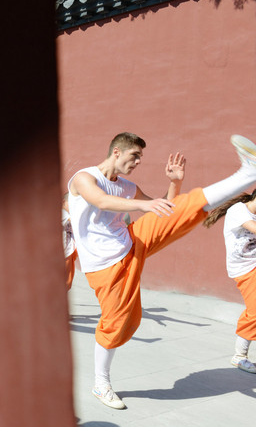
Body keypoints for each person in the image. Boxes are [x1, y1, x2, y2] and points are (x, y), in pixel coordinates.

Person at [68, 132, 256, 409]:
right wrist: (143, 203)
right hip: (104, 264)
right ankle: (101, 383)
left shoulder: (128, 186)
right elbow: (102, 201)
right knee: (119, 323)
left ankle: (248, 173)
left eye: (140, 158)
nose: (138, 162)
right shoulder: (84, 178)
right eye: (135, 155)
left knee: (185, 209)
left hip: (132, 240)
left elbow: (164, 209)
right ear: (117, 151)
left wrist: (174, 183)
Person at [202, 189, 256, 374]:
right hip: (244, 269)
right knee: (255, 312)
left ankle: (241, 355)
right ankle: (240, 356)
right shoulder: (239, 210)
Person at [62, 193, 77, 290]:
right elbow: (75, 222)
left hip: (69, 251)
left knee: (67, 282)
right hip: (63, 253)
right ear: (64, 202)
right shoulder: (63, 213)